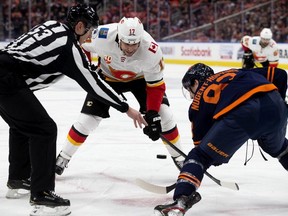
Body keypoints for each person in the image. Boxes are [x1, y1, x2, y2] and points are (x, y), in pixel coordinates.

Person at [0, 4, 145, 216]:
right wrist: (126, 107)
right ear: (79, 26)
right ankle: (42, 195)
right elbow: (94, 85)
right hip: (6, 80)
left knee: (23, 125)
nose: (90, 36)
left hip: (5, 74)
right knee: (44, 130)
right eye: (90, 30)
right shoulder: (70, 48)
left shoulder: (51, 26)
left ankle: (18, 179)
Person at [55, 16, 185, 175]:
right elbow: (81, 45)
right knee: (86, 121)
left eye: (135, 44)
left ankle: (179, 157)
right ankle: (64, 156)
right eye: (126, 44)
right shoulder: (101, 36)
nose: (130, 49)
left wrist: (152, 114)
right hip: (107, 78)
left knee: (164, 115)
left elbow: (156, 86)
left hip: (140, 79)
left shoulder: (152, 50)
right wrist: (88, 67)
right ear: (119, 38)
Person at [153, 63, 288, 216]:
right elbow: (280, 75)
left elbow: (203, 149)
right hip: (277, 107)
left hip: (245, 114)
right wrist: (277, 107)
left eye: (190, 89)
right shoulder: (237, 72)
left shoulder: (198, 99)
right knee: (281, 149)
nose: (191, 95)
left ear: (196, 82)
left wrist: (201, 165)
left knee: (199, 156)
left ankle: (181, 201)